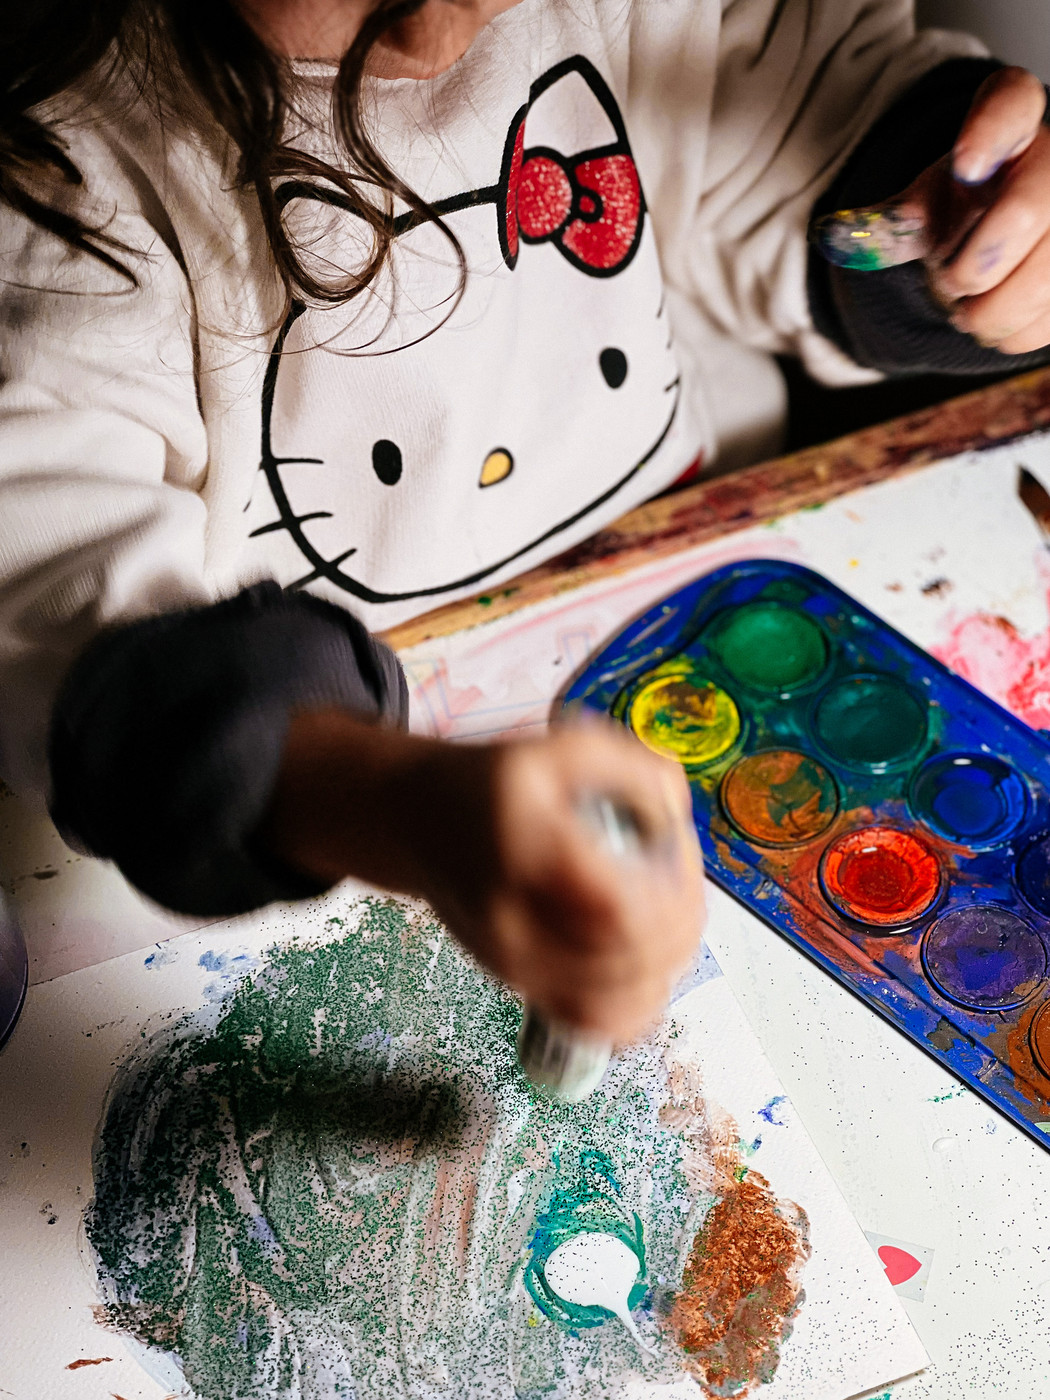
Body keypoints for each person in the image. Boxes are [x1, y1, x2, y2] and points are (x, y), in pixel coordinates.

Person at [2, 0, 1049, 1045]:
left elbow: (813, 152)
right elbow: (85, 644)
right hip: (332, 804)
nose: (433, 25)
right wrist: (392, 804)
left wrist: (985, 238)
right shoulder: (55, 172)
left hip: (708, 628)